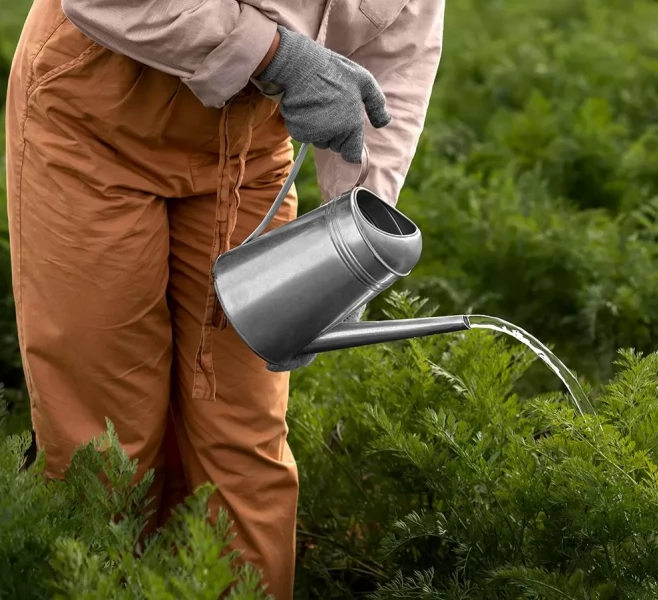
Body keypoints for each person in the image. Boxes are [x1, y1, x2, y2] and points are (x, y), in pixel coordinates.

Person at [4, 0, 444, 597]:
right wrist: (278, 54)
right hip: (96, 113)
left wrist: (354, 230)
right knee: (105, 439)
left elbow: (398, 54)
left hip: (248, 146)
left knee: (244, 436)